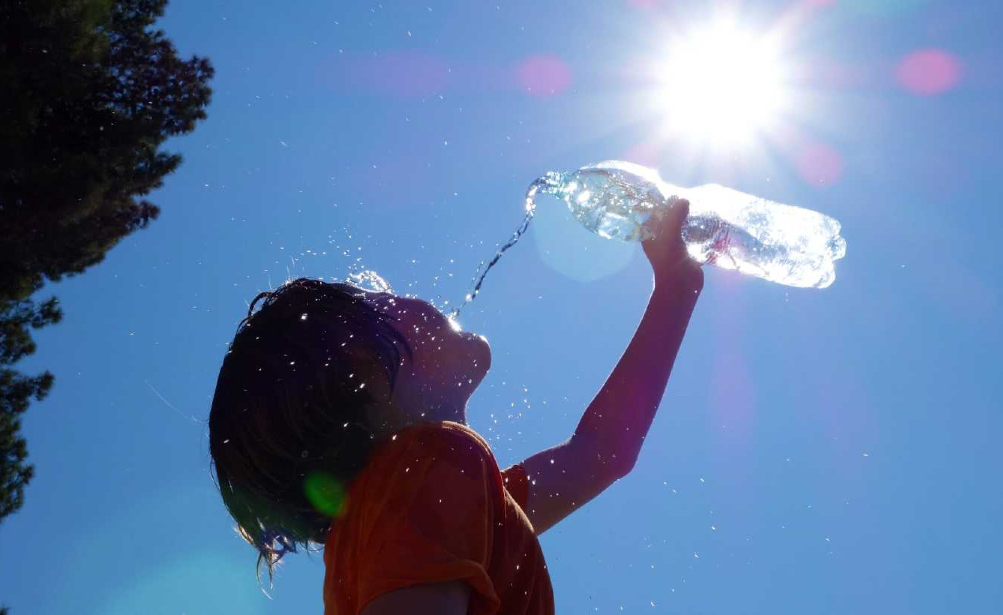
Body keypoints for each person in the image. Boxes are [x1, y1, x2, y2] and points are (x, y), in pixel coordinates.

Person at [208, 199, 704, 614]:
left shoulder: (433, 504)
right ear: (364, 370)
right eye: (382, 299)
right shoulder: (426, 465)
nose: (406, 295)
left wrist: (677, 289)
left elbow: (603, 450)